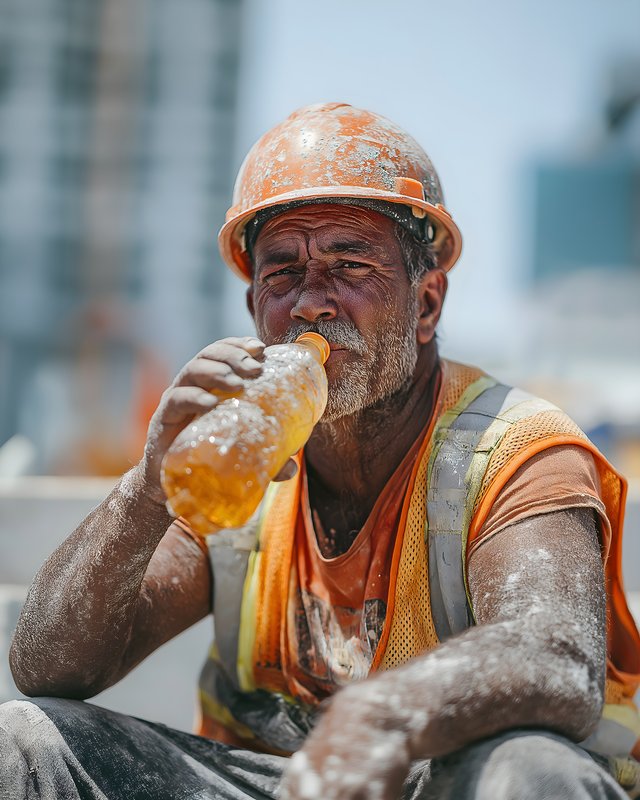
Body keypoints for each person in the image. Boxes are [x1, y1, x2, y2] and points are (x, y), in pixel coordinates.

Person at [3, 102, 640, 800]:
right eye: (282, 274)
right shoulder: (240, 465)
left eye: (350, 264)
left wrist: (380, 715)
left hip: (429, 787)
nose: (311, 303)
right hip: (285, 787)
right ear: (254, 311)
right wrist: (149, 486)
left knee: (532, 771)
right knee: (24, 741)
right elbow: (49, 669)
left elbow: (556, 657)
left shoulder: (516, 448)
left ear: (426, 305)